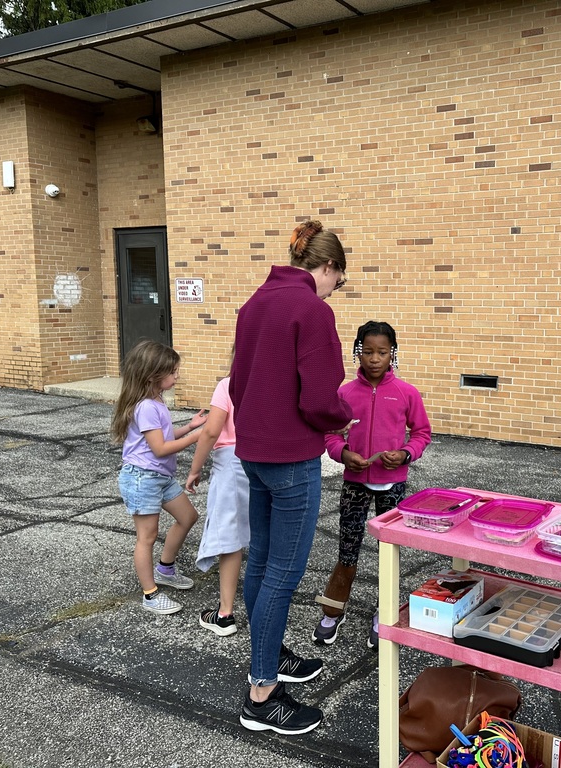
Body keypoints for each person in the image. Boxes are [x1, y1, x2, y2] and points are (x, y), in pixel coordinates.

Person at [230, 220, 353, 736]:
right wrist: (341, 419)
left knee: (260, 561)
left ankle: (270, 653)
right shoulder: (311, 308)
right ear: (325, 268)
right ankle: (262, 694)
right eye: (337, 281)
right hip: (292, 458)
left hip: (253, 450)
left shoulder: (256, 302)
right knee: (283, 570)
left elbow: (237, 381)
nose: (334, 291)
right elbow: (320, 397)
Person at [314, 321, 432, 649]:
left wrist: (406, 454)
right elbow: (331, 434)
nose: (375, 359)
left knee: (388, 553)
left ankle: (385, 614)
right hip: (354, 484)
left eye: (382, 352)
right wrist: (343, 454)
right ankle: (332, 611)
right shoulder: (345, 393)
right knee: (347, 550)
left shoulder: (406, 392)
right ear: (358, 352)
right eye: (368, 352)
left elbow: (422, 433)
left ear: (393, 353)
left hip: (392, 485)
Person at [111, 340, 207, 616]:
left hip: (159, 476)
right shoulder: (145, 407)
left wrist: (188, 426)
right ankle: (150, 595)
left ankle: (165, 569)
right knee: (147, 536)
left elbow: (163, 437)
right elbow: (161, 448)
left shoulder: (155, 400)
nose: (177, 377)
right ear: (154, 375)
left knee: (188, 516)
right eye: (173, 372)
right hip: (142, 478)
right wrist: (195, 437)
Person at [185, 363, 248, 638]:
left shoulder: (228, 386)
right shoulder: (270, 385)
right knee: (259, 533)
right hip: (262, 461)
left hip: (230, 465)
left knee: (230, 540)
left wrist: (195, 469)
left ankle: (225, 613)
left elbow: (212, 430)